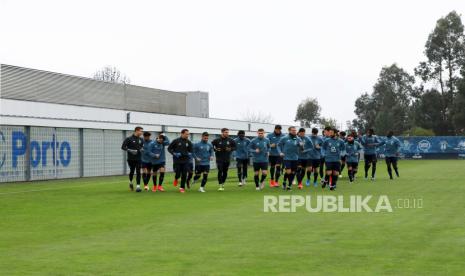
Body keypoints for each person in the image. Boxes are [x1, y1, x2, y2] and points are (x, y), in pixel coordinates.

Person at [168, 129, 193, 193]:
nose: (187, 135)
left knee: (184, 174)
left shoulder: (188, 142)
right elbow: (169, 148)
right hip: (177, 161)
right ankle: (176, 179)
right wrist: (174, 153)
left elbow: (191, 150)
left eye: (188, 134)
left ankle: (182, 187)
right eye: (186, 134)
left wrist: (190, 153)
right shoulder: (176, 141)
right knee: (178, 174)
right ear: (182, 134)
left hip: (185, 161)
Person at [277, 126, 302, 190]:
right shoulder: (284, 138)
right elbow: (278, 145)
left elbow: (302, 149)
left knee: (293, 172)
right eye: (293, 130)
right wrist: (280, 152)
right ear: (289, 131)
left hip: (295, 158)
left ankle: (289, 185)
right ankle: (284, 181)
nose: (294, 131)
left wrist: (301, 146)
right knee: (288, 172)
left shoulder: (298, 139)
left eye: (295, 130)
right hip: (287, 158)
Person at [121, 126, 144, 192]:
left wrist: (142, 149)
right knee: (132, 171)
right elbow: (123, 147)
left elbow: (141, 147)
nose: (142, 132)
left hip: (139, 158)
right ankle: (130, 182)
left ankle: (138, 187)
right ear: (136, 131)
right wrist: (130, 150)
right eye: (141, 131)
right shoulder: (129, 139)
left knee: (138, 171)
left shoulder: (141, 139)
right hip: (131, 159)